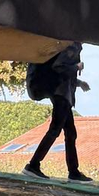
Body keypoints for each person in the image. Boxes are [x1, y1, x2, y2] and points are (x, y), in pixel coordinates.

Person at [23, 44, 90, 182]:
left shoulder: (69, 45)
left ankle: (73, 171)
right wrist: (77, 67)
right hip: (61, 95)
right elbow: (58, 67)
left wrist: (79, 83)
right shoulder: (72, 47)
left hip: (63, 95)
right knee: (56, 130)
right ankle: (33, 165)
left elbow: (62, 72)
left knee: (70, 133)